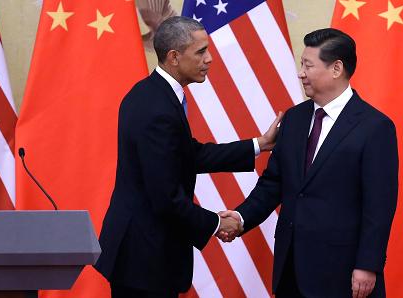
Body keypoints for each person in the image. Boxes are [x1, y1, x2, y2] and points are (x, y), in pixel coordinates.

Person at [94, 16, 281, 297]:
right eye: (201, 51)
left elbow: (190, 154)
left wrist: (259, 144)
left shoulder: (154, 94)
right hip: (143, 259)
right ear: (174, 57)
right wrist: (218, 223)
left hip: (146, 254)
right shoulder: (156, 107)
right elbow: (165, 198)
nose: (209, 59)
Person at [220, 28, 398, 298]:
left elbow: (379, 205)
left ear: (336, 68)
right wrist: (241, 217)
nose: (301, 73)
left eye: (308, 65)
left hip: (343, 271)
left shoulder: (375, 127)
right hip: (291, 267)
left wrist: (367, 264)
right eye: (301, 65)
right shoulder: (293, 119)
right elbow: (273, 183)